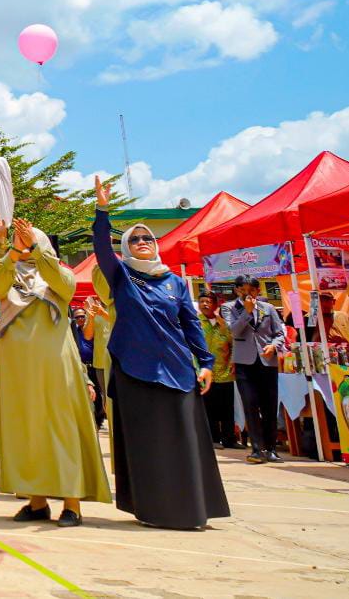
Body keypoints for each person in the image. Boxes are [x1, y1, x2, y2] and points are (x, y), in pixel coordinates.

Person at [92, 180, 229, 529]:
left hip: (177, 369)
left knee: (184, 440)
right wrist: (102, 211)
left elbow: (191, 325)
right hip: (134, 370)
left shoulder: (174, 282)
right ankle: (152, 510)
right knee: (147, 444)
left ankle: (190, 509)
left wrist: (206, 363)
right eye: (134, 239)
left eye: (147, 238)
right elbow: (102, 250)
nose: (141, 242)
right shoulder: (121, 275)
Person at [0, 213, 111, 527]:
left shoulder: (58, 275)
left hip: (55, 363)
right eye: (22, 243)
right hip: (18, 368)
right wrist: (10, 250)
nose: (26, 248)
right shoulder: (9, 276)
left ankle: (72, 502)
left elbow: (63, 285)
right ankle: (37, 501)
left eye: (31, 242)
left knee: (60, 425)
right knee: (26, 427)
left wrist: (36, 250)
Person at [221, 278, 287, 464]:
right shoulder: (229, 308)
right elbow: (233, 332)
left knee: (269, 405)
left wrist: (274, 346)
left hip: (267, 361)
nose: (246, 293)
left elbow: (279, 333)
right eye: (242, 289)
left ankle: (271, 448)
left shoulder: (269, 309)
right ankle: (257, 448)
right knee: (250, 404)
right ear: (236, 290)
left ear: (258, 291)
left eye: (251, 289)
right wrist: (247, 313)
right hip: (244, 363)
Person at [197, 292, 238, 448]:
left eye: (208, 301)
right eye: (202, 302)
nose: (205, 304)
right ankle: (213, 439)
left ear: (215, 305)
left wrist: (233, 361)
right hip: (204, 372)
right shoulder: (195, 323)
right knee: (209, 407)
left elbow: (233, 344)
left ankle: (230, 439)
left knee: (228, 407)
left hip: (225, 372)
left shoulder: (223, 324)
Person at [70, 301, 105, 429]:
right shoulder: (72, 332)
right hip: (81, 368)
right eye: (77, 317)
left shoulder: (93, 329)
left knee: (98, 397)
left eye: (82, 316)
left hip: (94, 366)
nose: (80, 319)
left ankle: (98, 421)